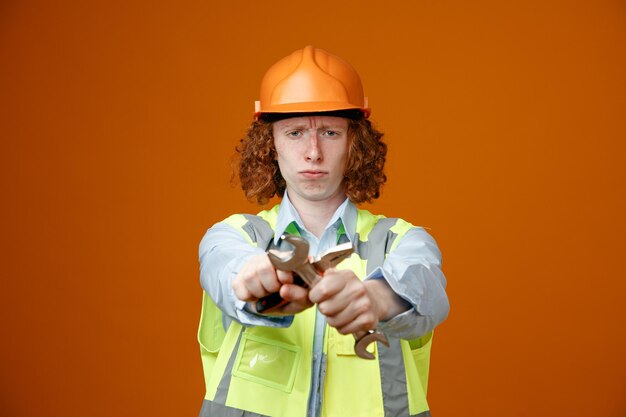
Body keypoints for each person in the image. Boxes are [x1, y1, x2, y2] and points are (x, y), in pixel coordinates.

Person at [197, 45, 449, 417]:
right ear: (271, 146)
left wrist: (375, 299)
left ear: (354, 145)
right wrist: (256, 283)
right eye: (295, 132)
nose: (313, 152)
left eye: (330, 132)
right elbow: (225, 268)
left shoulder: (402, 240)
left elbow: (426, 290)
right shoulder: (234, 236)